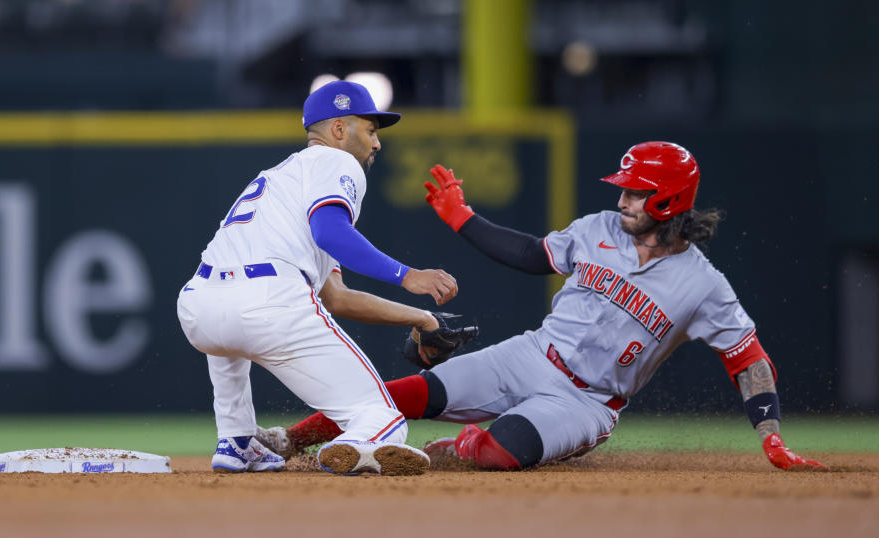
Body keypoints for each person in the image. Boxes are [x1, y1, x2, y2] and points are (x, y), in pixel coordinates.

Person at [256, 141, 824, 472]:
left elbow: (747, 361)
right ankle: (291, 441)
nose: (622, 200)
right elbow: (533, 255)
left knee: (505, 451)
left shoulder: (703, 286)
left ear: (670, 201)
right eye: (623, 189)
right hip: (532, 355)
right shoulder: (600, 228)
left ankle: (465, 445)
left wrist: (770, 434)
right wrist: (462, 217)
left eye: (635, 192)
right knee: (403, 394)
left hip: (588, 401)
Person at [176, 80, 459, 475]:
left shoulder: (282, 178)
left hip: (198, 306)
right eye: (371, 130)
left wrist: (421, 319)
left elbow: (337, 297)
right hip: (269, 302)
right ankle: (349, 446)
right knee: (383, 419)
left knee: (229, 333)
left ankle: (237, 441)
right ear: (339, 130)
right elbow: (331, 232)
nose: (377, 144)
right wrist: (406, 275)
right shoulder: (337, 162)